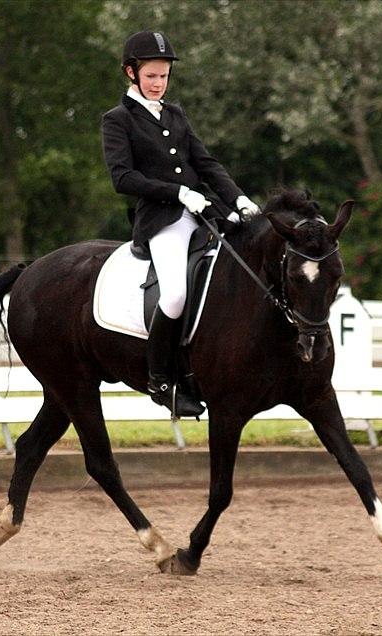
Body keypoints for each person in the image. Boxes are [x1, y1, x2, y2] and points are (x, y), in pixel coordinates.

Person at [101, 30, 260, 416]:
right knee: (174, 295)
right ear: (131, 73)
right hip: (162, 220)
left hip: (206, 212)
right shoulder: (117, 120)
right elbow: (123, 178)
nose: (159, 83)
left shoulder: (175, 114)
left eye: (164, 76)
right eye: (151, 76)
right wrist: (177, 193)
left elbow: (206, 164)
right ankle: (162, 381)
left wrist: (237, 198)